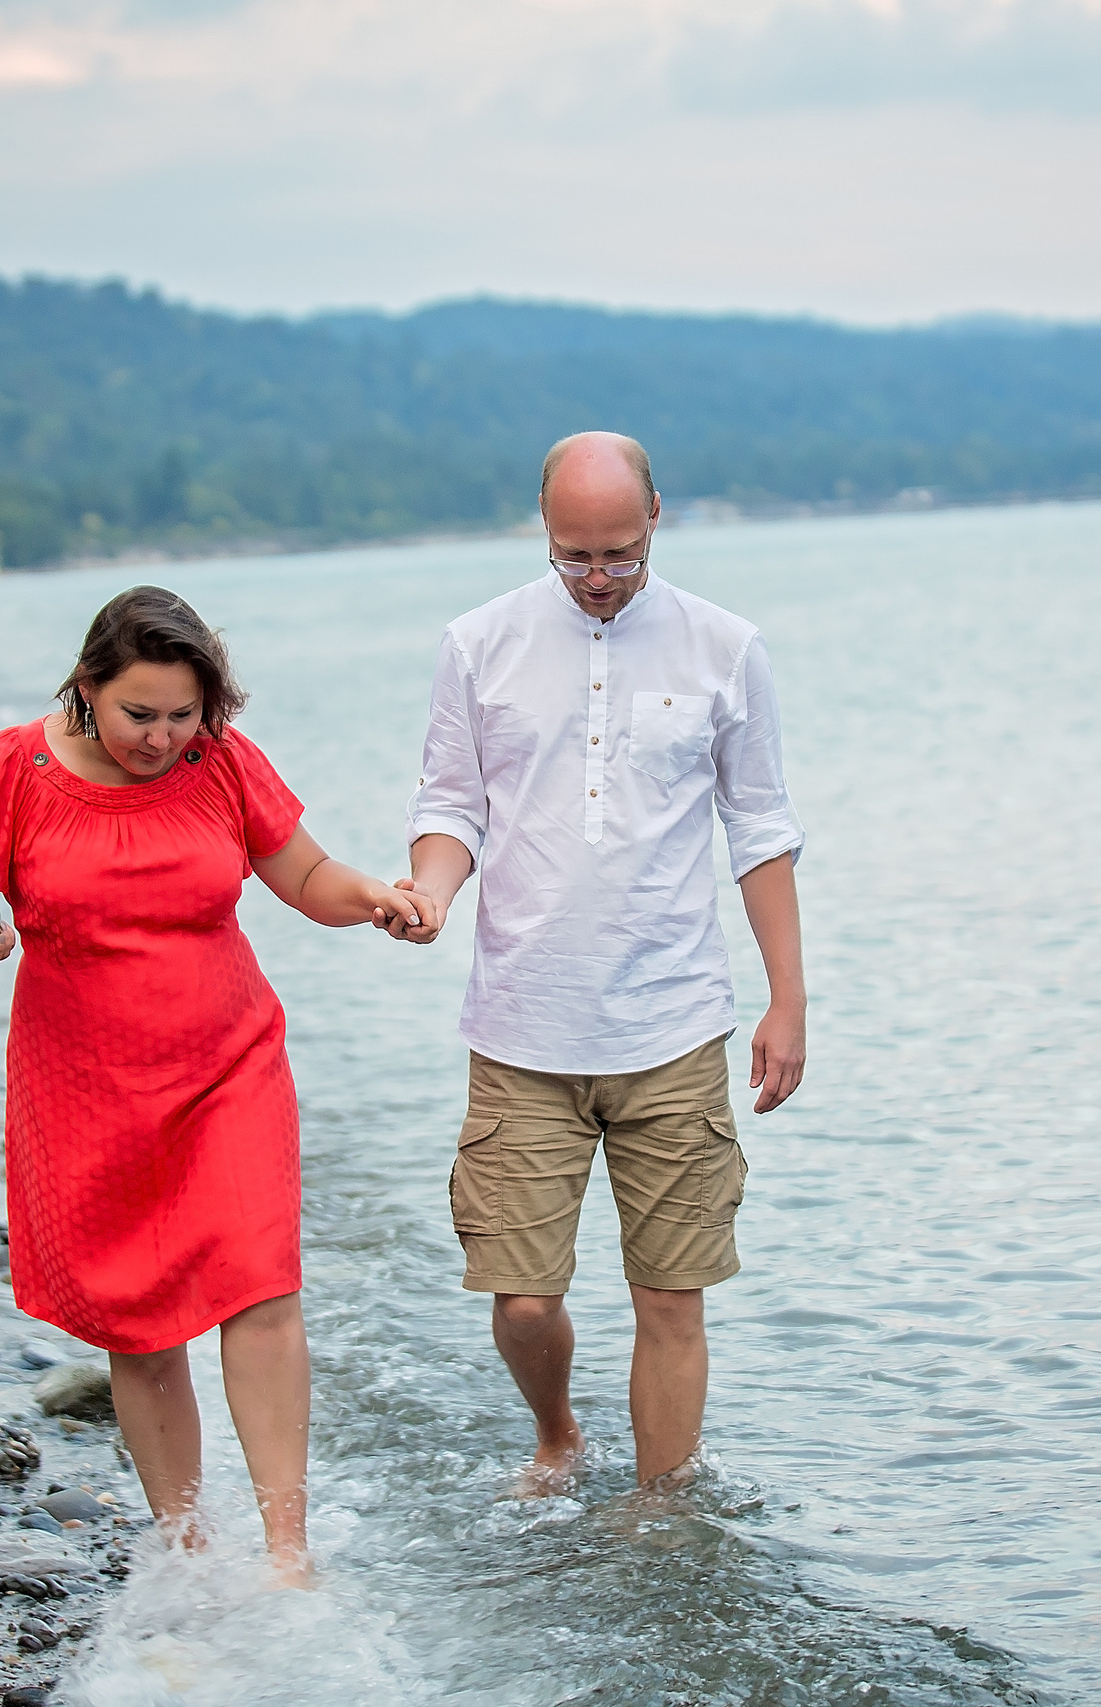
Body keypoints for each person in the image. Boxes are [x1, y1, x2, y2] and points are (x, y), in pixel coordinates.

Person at [0, 586, 423, 1580]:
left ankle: (286, 1556)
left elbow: (305, 876)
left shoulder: (219, 762)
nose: (161, 736)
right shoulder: (13, 767)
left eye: (183, 714)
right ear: (88, 685)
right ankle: (187, 1550)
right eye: (140, 713)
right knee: (137, 1321)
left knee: (260, 1290)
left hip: (228, 1064)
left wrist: (371, 898)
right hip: (83, 1085)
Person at [393, 431, 808, 1492]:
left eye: (619, 555)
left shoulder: (725, 647)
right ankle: (557, 1433)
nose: (597, 580)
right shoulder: (477, 643)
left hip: (671, 1025)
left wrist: (787, 999)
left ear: (657, 516)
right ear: (542, 531)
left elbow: (758, 831)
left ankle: (664, 1517)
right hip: (521, 1026)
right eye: (573, 557)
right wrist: (432, 892)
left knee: (672, 1296)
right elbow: (450, 805)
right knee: (522, 1297)